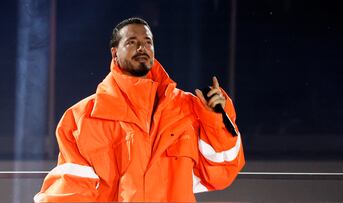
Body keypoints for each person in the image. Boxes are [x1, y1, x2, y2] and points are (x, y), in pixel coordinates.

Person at [34, 17, 245, 202]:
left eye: (148, 42)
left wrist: (215, 118)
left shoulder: (188, 108)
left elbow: (221, 172)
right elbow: (71, 189)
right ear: (114, 52)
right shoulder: (82, 118)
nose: (142, 48)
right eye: (132, 42)